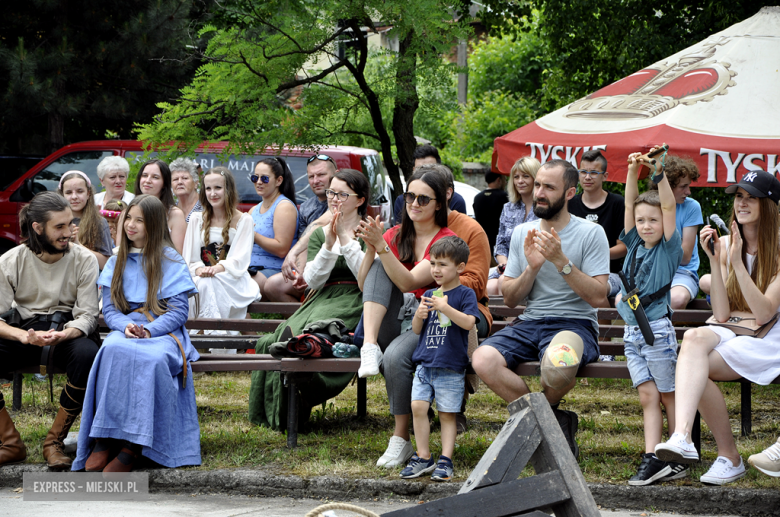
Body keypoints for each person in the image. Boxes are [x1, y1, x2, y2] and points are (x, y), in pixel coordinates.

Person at [471, 159, 610, 459]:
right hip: (530, 321)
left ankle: (535, 425)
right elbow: (509, 299)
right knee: (482, 359)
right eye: (537, 185)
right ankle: (551, 423)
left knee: (558, 368)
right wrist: (531, 269)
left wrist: (561, 261)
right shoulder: (522, 232)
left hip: (575, 324)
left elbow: (599, 297)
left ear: (570, 193)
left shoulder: (590, 233)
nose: (539, 193)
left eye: (549, 187)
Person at [655, 170, 780, 485]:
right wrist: (715, 258)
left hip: (770, 337)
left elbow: (765, 312)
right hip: (739, 329)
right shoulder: (725, 243)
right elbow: (722, 314)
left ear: (770, 205)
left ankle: (729, 456)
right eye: (739, 196)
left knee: (692, 368)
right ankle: (684, 437)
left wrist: (737, 263)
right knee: (694, 341)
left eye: (752, 197)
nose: (743, 203)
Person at [73, 194, 200, 472]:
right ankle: (104, 438)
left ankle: (133, 446)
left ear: (153, 225)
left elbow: (178, 313)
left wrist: (150, 330)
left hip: (163, 332)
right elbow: (110, 308)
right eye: (128, 218)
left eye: (139, 220)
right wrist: (125, 327)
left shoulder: (170, 259)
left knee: (151, 360)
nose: (130, 225)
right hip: (128, 328)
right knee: (112, 349)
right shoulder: (118, 257)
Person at [248, 169, 369, 430]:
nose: (334, 199)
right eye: (331, 193)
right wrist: (327, 244)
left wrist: (345, 239)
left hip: (356, 299)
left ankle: (302, 398)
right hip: (322, 296)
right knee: (275, 339)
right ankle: (282, 411)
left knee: (306, 337)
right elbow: (313, 280)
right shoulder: (319, 234)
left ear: (360, 200)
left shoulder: (369, 232)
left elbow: (366, 277)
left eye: (342, 194)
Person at [353, 165, 457, 468]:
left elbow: (410, 282)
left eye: (423, 199)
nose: (413, 204)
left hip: (429, 319)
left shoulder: (445, 240)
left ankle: (400, 438)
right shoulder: (393, 234)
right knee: (377, 268)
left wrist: (383, 247)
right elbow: (365, 285)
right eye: (409, 196)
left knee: (395, 357)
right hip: (389, 316)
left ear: (439, 203)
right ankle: (369, 344)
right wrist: (373, 248)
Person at [0, 192, 100, 469]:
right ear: (37, 228)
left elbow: (88, 313)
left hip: (69, 331)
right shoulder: (12, 259)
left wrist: (66, 333)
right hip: (25, 331)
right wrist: (21, 335)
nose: (68, 232)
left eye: (70, 224)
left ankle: (54, 442)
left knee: (87, 356)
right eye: (60, 226)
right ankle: (10, 443)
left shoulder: (84, 259)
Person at [619, 150, 685, 486]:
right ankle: (652, 455)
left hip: (656, 330)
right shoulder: (633, 242)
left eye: (653, 220)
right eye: (642, 220)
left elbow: (669, 206)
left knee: (668, 392)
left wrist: (657, 172)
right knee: (647, 395)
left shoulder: (668, 247)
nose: (646, 225)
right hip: (632, 333)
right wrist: (633, 171)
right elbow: (630, 204)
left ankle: (676, 453)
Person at [400, 236, 480, 482]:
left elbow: (468, 322)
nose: (435, 269)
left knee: (447, 414)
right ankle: (423, 456)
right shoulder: (428, 294)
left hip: (450, 366)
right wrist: (419, 316)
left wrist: (445, 308)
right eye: (433, 263)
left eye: (442, 264)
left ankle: (446, 459)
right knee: (417, 407)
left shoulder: (464, 294)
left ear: (459, 267)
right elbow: (415, 330)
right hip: (425, 363)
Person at [183, 167, 259, 339]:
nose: (212, 193)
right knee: (203, 284)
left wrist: (217, 269)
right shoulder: (196, 219)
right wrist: (200, 270)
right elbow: (190, 258)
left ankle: (209, 339)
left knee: (208, 283)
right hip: (201, 275)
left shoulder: (244, 220)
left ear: (228, 189)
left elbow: (240, 259)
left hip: (231, 277)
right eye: (208, 188)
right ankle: (211, 339)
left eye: (218, 188)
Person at [266, 154, 337, 302]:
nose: (315, 181)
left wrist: (292, 253)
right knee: (273, 286)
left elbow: (320, 224)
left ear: (335, 175)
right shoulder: (305, 207)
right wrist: (299, 272)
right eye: (311, 176)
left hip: (337, 268)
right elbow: (304, 245)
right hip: (312, 266)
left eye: (321, 175)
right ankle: (304, 323)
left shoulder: (342, 198)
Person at [568, 150, 627, 302]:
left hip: (610, 274)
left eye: (594, 172)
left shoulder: (617, 203)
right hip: (574, 272)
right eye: (583, 172)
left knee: (592, 289)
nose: (587, 177)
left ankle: (603, 327)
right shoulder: (569, 203)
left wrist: (593, 256)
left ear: (605, 176)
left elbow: (624, 247)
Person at [648, 156, 702, 310]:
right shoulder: (648, 205)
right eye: (683, 187)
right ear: (667, 185)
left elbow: (684, 257)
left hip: (682, 274)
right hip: (650, 272)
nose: (688, 192)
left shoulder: (692, 207)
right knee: (622, 300)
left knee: (676, 299)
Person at [487, 157, 540, 296]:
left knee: (503, 282)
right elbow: (501, 243)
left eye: (525, 176)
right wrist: (505, 265)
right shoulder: (508, 208)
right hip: (507, 267)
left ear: (536, 179)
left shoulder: (544, 207)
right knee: (488, 288)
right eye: (516, 177)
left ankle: (512, 318)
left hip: (534, 269)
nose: (520, 181)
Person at [248, 157, 299, 299]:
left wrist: (251, 233)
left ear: (279, 180)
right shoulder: (253, 210)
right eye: (255, 177)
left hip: (277, 271)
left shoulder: (283, 206)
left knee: (236, 289)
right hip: (251, 269)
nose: (258, 182)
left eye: (264, 178)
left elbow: (282, 249)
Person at [393, 145, 468, 225]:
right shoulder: (402, 200)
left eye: (431, 169)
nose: (415, 204)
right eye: (420, 169)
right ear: (413, 170)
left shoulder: (456, 201)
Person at [58, 171, 114, 269]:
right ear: (61, 195)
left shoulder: (99, 222)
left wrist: (77, 245)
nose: (74, 197)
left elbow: (106, 264)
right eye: (68, 192)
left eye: (80, 191)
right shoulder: (53, 222)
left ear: (88, 194)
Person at [134, 159, 187, 254]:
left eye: (155, 177)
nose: (148, 180)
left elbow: (177, 256)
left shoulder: (175, 214)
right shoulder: (128, 211)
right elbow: (120, 250)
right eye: (144, 175)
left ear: (164, 183)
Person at [472, 170, 508, 254]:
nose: (505, 183)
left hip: (481, 243)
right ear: (499, 180)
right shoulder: (504, 196)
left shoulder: (477, 197)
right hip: (499, 246)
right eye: (504, 179)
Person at [171, 157, 202, 223]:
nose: (180, 182)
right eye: (175, 179)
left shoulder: (206, 206)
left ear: (196, 183)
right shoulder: (170, 210)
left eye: (185, 178)